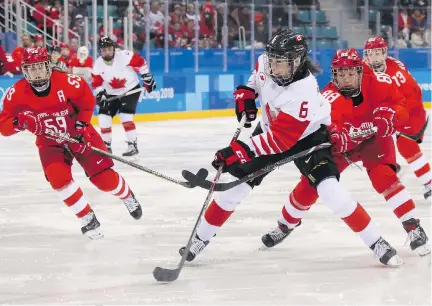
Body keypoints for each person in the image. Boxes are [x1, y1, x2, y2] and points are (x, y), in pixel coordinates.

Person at [179, 30, 403, 267]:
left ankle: (376, 241)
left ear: (296, 62)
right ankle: (200, 238)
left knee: (329, 189)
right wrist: (247, 92)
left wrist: (238, 150)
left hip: (308, 138)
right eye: (273, 62)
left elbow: (280, 141)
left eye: (281, 64)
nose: (275, 68)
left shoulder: (303, 91)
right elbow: (257, 77)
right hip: (270, 129)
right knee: (234, 190)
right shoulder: (268, 61)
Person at [260, 48, 430, 257]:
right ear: (334, 75)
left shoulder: (380, 82)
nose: (346, 79)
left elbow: (399, 106)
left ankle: (413, 226)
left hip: (374, 141)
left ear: (360, 72)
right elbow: (325, 123)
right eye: (340, 74)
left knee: (384, 178)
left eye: (350, 73)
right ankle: (285, 225)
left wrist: (393, 115)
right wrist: (334, 134)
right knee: (310, 185)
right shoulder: (328, 97)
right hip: (343, 148)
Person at [0, 47, 142, 240]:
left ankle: (127, 196)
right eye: (31, 68)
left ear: (48, 67)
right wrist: (19, 123)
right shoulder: (15, 93)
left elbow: (87, 100)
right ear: (24, 70)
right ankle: (87, 217)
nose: (36, 72)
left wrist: (82, 128)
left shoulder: (68, 82)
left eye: (40, 67)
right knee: (58, 178)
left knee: (104, 181)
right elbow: (4, 126)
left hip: (79, 134)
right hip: (50, 142)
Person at [363, 36, 431, 199]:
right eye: (371, 54)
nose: (375, 58)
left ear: (385, 53)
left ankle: (429, 182)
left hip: (410, 111)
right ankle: (390, 165)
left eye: (379, 53)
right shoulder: (363, 68)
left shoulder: (397, 73)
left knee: (406, 145)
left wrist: (395, 118)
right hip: (386, 108)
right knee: (364, 141)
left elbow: (413, 97)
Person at [91, 36, 156, 157]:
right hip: (111, 93)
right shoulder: (98, 64)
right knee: (103, 117)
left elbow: (141, 63)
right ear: (100, 51)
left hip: (130, 89)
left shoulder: (124, 56)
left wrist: (147, 77)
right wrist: (100, 93)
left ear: (113, 48)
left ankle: (132, 144)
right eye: (104, 50)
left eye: (109, 49)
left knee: (125, 116)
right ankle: (106, 146)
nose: (107, 52)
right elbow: (96, 83)